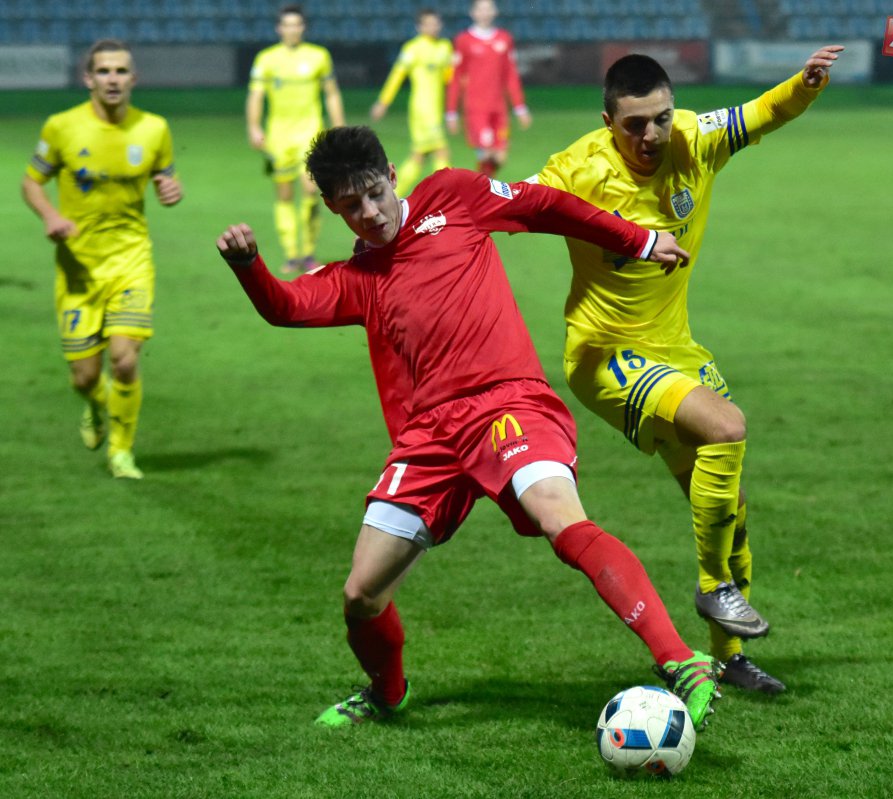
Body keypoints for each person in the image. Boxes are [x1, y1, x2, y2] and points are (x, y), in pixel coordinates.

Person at [216, 126, 724, 732]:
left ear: (393, 175)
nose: (370, 212)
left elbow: (545, 205)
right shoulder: (358, 278)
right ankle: (387, 694)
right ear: (331, 207)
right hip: (429, 438)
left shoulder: (452, 196)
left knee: (557, 515)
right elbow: (286, 306)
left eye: (375, 193)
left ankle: (680, 660)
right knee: (361, 595)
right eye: (351, 205)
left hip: (508, 404)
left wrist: (638, 239)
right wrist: (248, 265)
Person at [531, 45, 846, 694]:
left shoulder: (693, 138)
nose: (651, 135)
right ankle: (713, 587)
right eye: (634, 124)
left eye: (661, 118)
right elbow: (511, 204)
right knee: (727, 426)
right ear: (608, 122)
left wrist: (806, 83)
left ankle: (729, 658)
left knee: (729, 508)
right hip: (605, 354)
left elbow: (763, 112)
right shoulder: (576, 168)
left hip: (676, 350)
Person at [21, 39, 183, 480]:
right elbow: (32, 182)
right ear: (88, 78)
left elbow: (165, 177)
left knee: (125, 360)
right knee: (84, 378)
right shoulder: (61, 127)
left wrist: (171, 190)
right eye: (104, 71)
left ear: (134, 79)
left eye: (121, 71)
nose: (113, 79)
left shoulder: (154, 128)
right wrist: (51, 216)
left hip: (131, 258)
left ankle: (121, 452)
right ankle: (95, 403)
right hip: (78, 267)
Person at [246, 3, 346, 275]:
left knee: (312, 191)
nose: (292, 30)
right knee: (284, 194)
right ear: (279, 29)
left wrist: (338, 126)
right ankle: (292, 254)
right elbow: (255, 95)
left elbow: (332, 93)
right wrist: (254, 126)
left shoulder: (318, 56)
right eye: (287, 25)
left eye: (297, 25)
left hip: (310, 133)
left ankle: (309, 251)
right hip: (278, 137)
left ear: (304, 27)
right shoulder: (266, 59)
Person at [370, 8, 454, 192]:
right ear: (419, 27)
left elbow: (449, 78)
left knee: (419, 157)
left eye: (435, 23)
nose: (433, 27)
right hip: (422, 109)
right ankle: (446, 195)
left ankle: (391, 194)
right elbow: (397, 75)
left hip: (436, 108)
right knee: (441, 152)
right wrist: (383, 102)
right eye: (428, 24)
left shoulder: (445, 47)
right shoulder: (413, 49)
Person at [445, 0, 531, 178]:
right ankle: (484, 191)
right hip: (476, 108)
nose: (485, 13)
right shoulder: (464, 40)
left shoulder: (504, 39)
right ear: (473, 13)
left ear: (495, 12)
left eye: (488, 9)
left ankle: (482, 188)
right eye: (481, 9)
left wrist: (520, 107)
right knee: (486, 154)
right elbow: (456, 78)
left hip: (499, 108)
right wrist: (451, 112)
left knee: (500, 157)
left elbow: (511, 75)